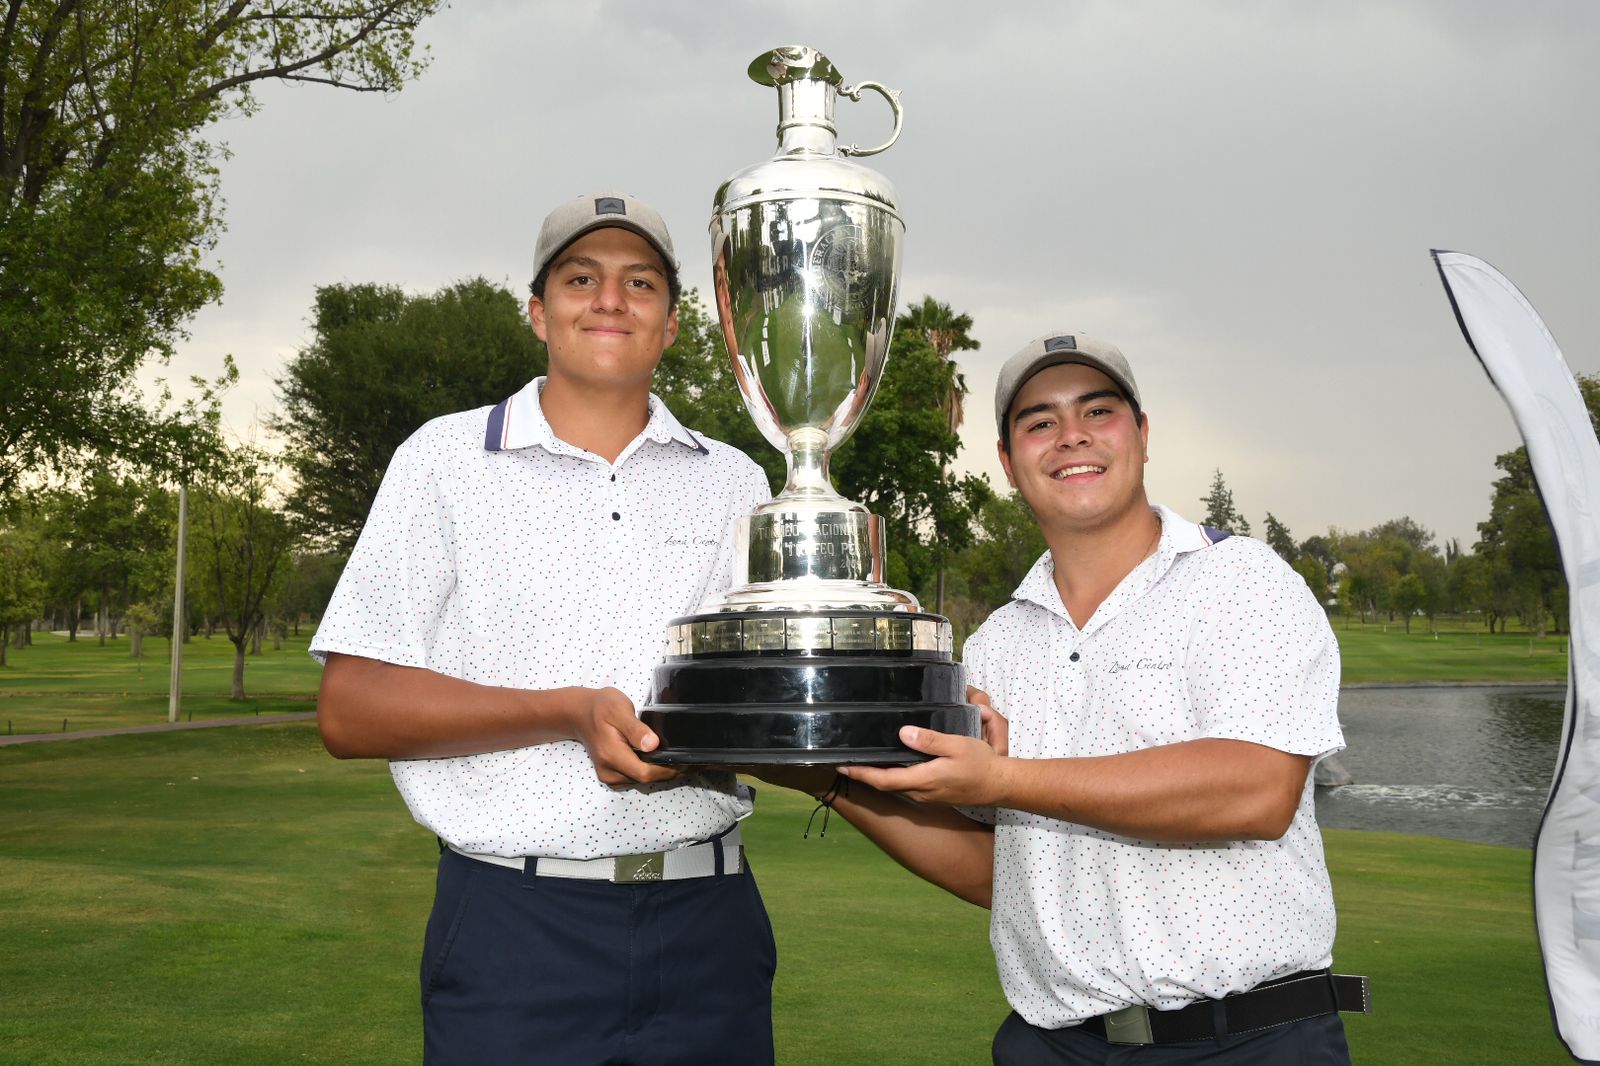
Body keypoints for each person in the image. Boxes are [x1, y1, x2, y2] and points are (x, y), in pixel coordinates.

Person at [771, 332, 1366, 1064]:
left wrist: (1007, 779)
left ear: (1142, 436)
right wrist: (827, 779)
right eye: (1040, 422)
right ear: (1009, 460)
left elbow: (1257, 793)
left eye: (1098, 411)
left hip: (1245, 1040)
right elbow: (1008, 874)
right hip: (1053, 1045)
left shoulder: (1242, 581)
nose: (1071, 436)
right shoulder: (996, 642)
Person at [311, 192, 776, 1066]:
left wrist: (904, 702)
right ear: (538, 311)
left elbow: (770, 693)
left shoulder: (736, 481)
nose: (610, 299)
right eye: (580, 277)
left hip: (709, 923)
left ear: (672, 323)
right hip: (513, 929)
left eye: (640, 282)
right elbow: (351, 707)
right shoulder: (443, 461)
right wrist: (566, 712)